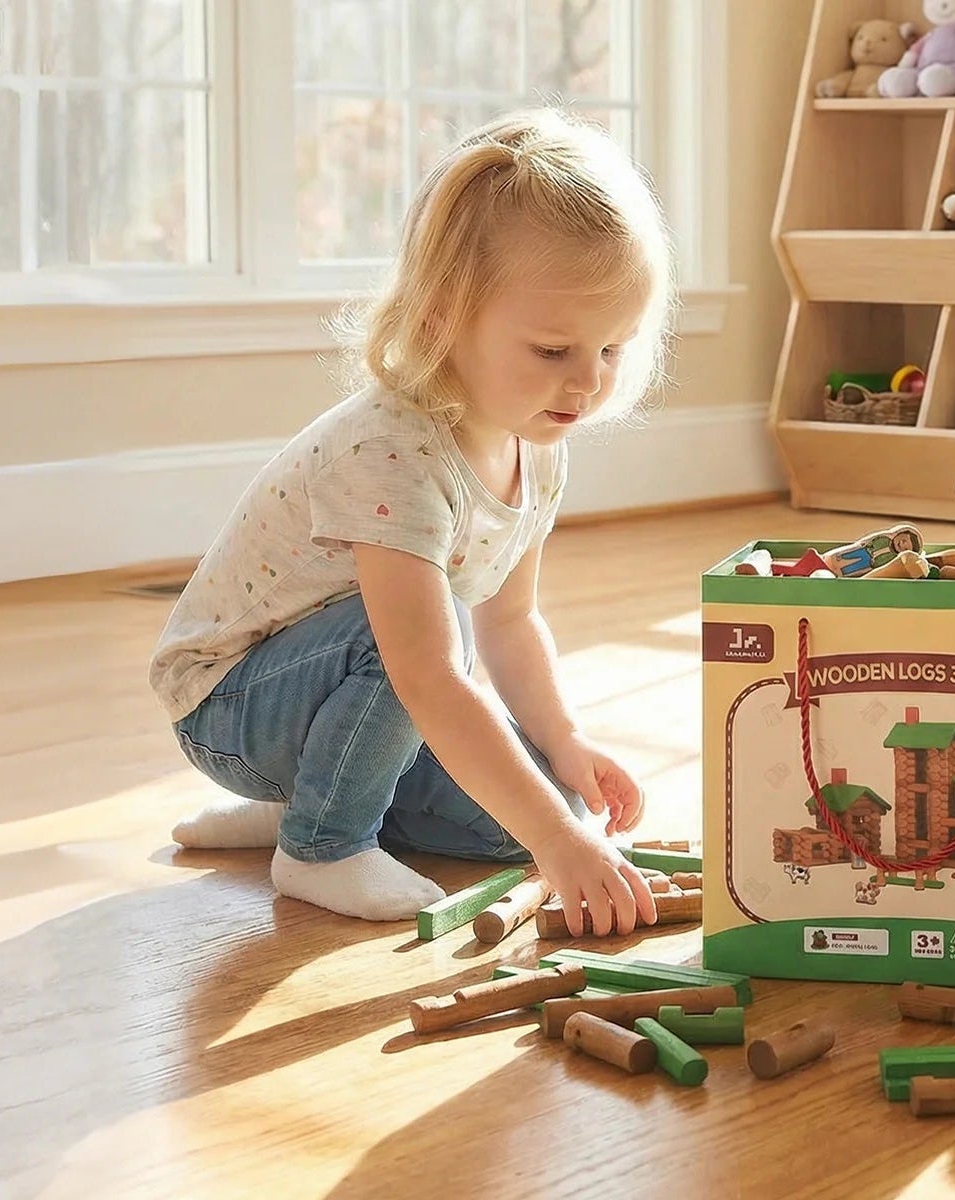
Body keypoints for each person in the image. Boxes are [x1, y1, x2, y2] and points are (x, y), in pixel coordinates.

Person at [151, 109, 671, 930]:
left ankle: (308, 798)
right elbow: (425, 672)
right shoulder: (390, 451)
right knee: (429, 656)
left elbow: (513, 617)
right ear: (439, 319)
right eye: (551, 351)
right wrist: (560, 845)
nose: (586, 384)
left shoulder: (537, 441)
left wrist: (565, 757)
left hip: (356, 691)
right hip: (229, 705)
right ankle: (320, 843)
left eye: (611, 349)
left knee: (543, 808)